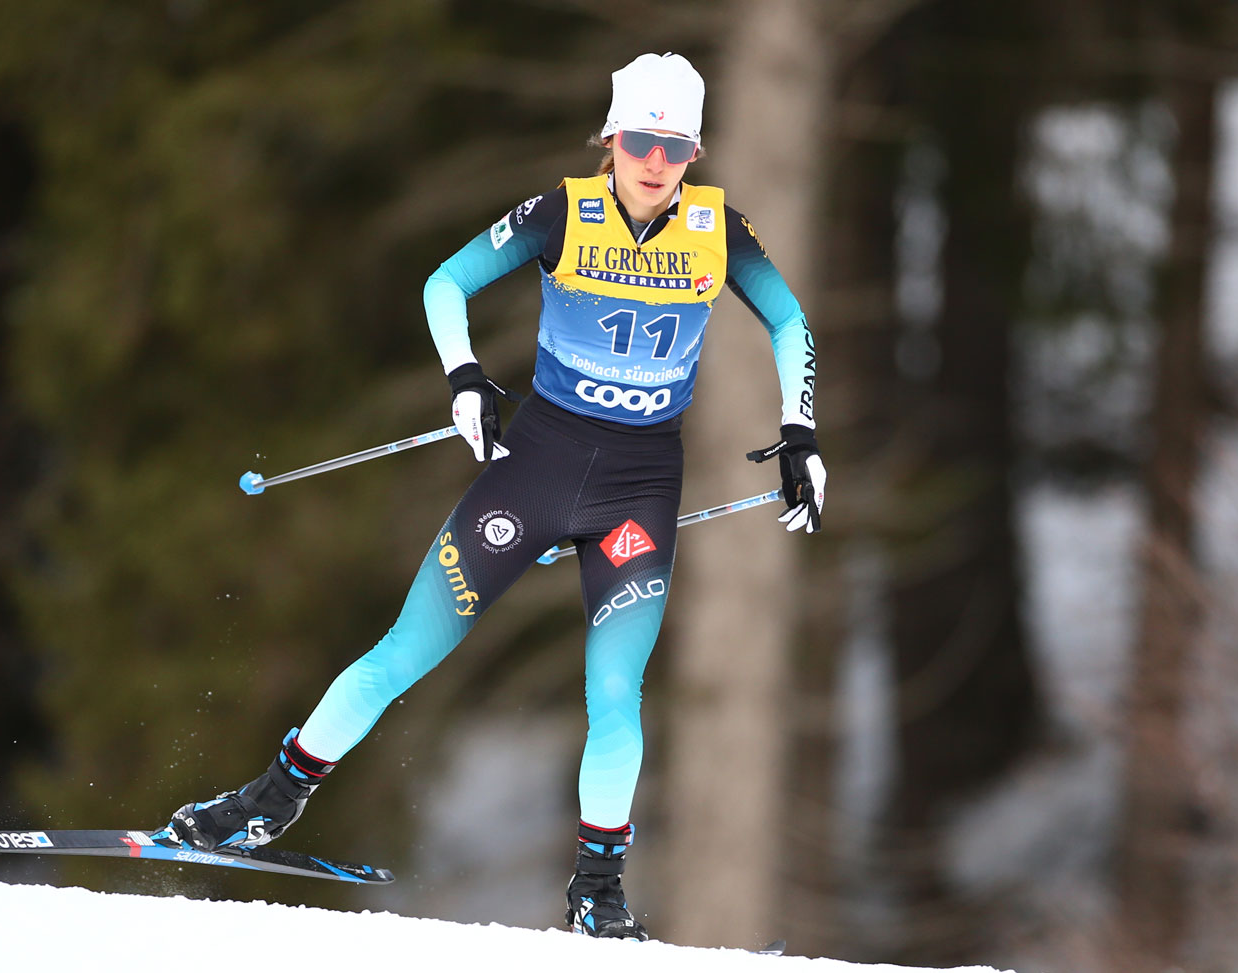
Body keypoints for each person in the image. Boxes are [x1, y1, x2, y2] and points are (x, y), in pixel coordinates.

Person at [157, 52, 825, 941]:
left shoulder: (719, 229)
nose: (654, 161)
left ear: (695, 151)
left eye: (673, 144)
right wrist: (465, 376)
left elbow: (790, 319)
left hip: (637, 489)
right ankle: (266, 804)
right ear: (610, 139)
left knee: (616, 697)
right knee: (403, 652)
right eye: (639, 139)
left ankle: (599, 890)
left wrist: (801, 428)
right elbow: (445, 283)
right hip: (537, 468)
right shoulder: (562, 212)